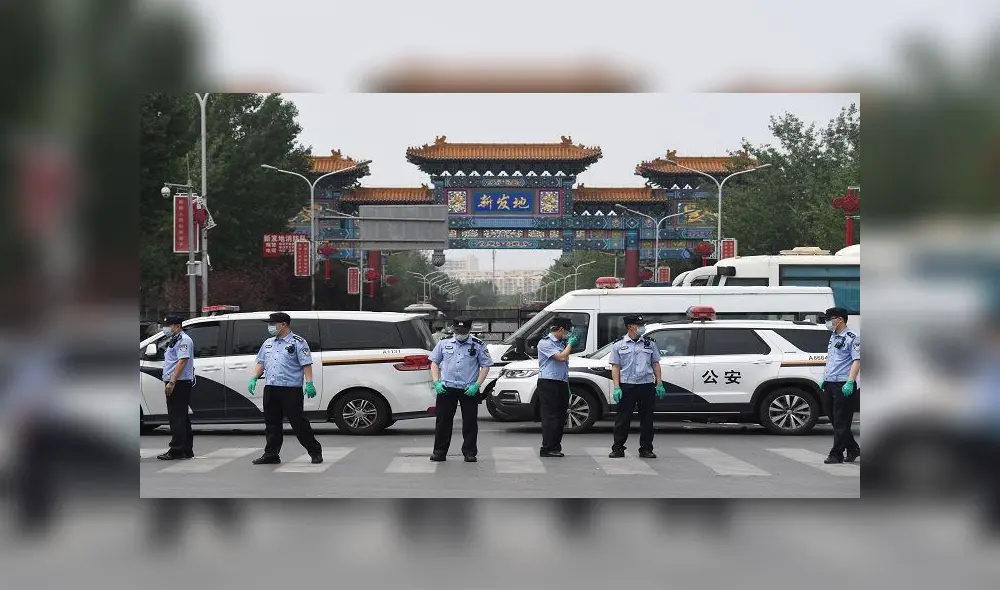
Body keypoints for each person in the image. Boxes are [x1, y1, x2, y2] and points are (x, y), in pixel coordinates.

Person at [247, 312, 323, 465]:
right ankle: (271, 454)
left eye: (272, 324)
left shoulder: (298, 342)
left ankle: (315, 451)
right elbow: (261, 362)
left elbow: (306, 364)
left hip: (290, 389)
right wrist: (254, 377)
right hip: (271, 388)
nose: (270, 327)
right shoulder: (268, 343)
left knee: (297, 423)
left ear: (283, 325)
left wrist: (309, 383)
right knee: (272, 423)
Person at [429, 317, 493, 462]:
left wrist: (477, 385)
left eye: (463, 331)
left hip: (468, 388)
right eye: (457, 331)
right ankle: (439, 451)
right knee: (443, 421)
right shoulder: (444, 343)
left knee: (470, 422)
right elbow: (434, 363)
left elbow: (485, 366)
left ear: (469, 330)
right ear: (453, 329)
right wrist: (436, 382)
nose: (460, 334)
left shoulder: (478, 344)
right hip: (446, 388)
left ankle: (469, 452)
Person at [608, 315, 666, 459]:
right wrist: (616, 387)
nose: (642, 327)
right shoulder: (618, 345)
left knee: (647, 419)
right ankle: (618, 448)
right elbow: (615, 367)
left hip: (646, 385)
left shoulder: (649, 343)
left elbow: (655, 364)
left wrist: (659, 383)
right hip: (627, 386)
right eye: (639, 324)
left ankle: (646, 449)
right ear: (630, 326)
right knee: (623, 419)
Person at [820, 307, 861, 464]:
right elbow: (832, 359)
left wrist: (850, 381)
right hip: (830, 382)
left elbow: (857, 360)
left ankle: (836, 454)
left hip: (844, 384)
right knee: (834, 418)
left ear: (840, 320)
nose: (827, 322)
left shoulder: (853, 337)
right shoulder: (833, 336)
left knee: (841, 421)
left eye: (829, 319)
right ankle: (853, 448)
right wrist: (824, 378)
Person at [536, 317, 578, 457]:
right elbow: (561, 357)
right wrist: (570, 345)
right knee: (551, 416)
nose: (568, 335)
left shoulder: (561, 343)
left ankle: (555, 446)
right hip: (548, 382)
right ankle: (547, 448)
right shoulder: (545, 343)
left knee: (561, 415)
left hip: (561, 382)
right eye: (567, 331)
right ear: (560, 329)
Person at [157, 315, 196, 460]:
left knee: (177, 417)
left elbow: (182, 362)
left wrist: (172, 381)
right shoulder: (175, 339)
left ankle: (176, 449)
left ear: (177, 326)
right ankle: (186, 449)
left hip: (179, 382)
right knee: (182, 417)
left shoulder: (184, 340)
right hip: (177, 381)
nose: (165, 328)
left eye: (168, 325)